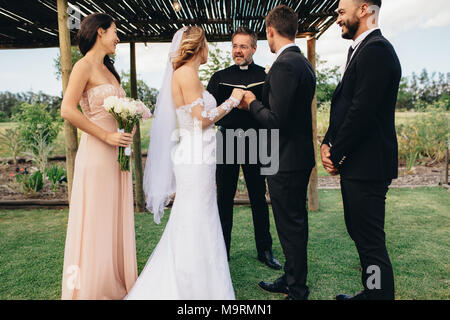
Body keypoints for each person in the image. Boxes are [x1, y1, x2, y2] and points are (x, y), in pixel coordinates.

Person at [127, 26, 244, 299]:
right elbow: (201, 120)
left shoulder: (187, 74)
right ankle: (193, 285)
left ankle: (200, 279)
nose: (209, 50)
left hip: (199, 153)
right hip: (195, 155)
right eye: (206, 45)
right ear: (198, 47)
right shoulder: (186, 74)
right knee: (197, 215)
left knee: (198, 214)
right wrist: (232, 101)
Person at [321, 0, 401, 300]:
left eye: (342, 11)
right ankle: (371, 292)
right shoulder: (360, 50)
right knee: (360, 234)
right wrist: (327, 142)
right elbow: (344, 105)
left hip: (368, 166)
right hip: (358, 164)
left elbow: (362, 111)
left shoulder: (377, 51)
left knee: (370, 242)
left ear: (365, 9)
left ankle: (378, 296)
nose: (338, 17)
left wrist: (336, 151)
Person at [238, 5, 316, 300]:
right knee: (293, 224)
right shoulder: (303, 62)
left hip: (285, 159)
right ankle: (292, 278)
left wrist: (251, 102)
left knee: (290, 226)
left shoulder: (284, 65)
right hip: (295, 157)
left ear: (271, 32)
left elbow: (275, 119)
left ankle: (297, 289)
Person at [60, 13, 138, 299]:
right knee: (95, 219)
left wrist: (125, 128)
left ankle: (114, 279)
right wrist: (105, 136)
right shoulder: (83, 66)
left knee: (112, 218)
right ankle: (92, 287)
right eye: (115, 32)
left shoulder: (109, 70)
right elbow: (67, 110)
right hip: (96, 152)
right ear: (100, 32)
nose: (118, 38)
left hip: (116, 154)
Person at [207, 27, 281, 270]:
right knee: (224, 197)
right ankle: (221, 250)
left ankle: (265, 250)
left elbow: (272, 110)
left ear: (254, 49)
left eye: (243, 46)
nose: (238, 51)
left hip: (256, 140)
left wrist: (252, 105)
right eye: (235, 46)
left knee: (258, 197)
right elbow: (209, 113)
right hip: (227, 139)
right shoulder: (219, 77)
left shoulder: (266, 75)